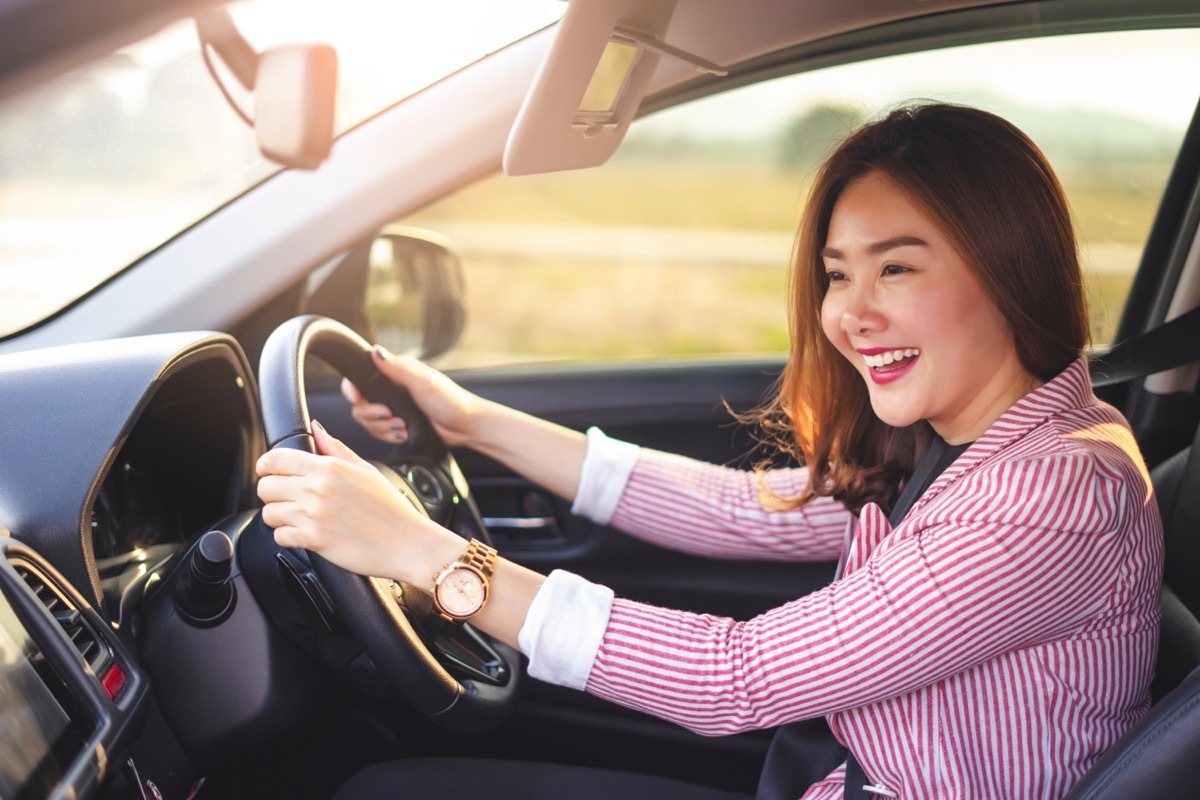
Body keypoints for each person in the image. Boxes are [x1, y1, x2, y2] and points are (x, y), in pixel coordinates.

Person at [255, 103, 1163, 799]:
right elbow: (745, 510)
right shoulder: (965, 438)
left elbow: (737, 679)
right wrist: (473, 422)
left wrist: (423, 552)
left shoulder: (1051, 491)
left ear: (1009, 268)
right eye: (837, 275)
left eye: (897, 268)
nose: (851, 314)